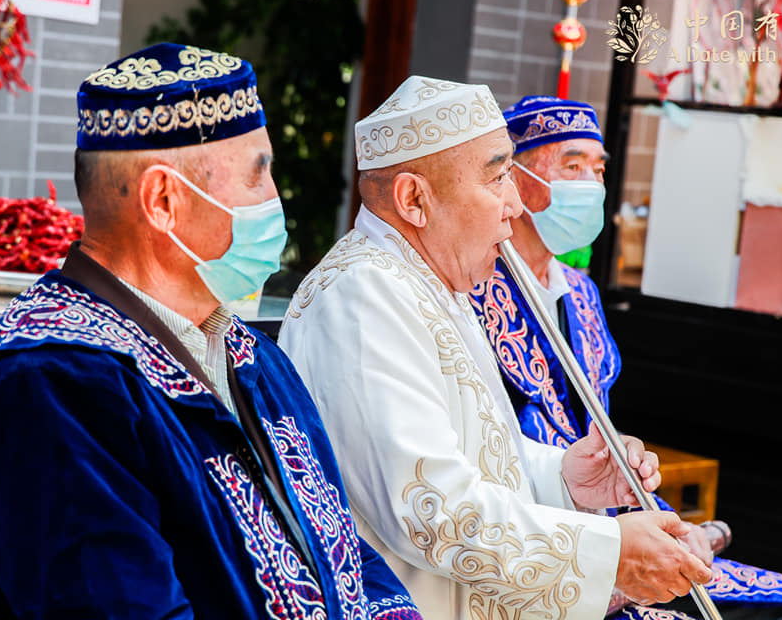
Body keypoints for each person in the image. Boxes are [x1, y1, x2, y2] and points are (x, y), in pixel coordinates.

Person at [0, 42, 423, 620]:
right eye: (258, 176)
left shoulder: (251, 356)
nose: (275, 200)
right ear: (165, 200)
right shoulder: (52, 390)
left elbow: (339, 550)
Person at [278, 75, 714, 620]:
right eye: (499, 177)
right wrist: (612, 553)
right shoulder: (362, 296)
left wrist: (565, 478)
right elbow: (432, 510)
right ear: (414, 198)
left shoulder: (428, 279)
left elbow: (482, 453)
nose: (514, 204)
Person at [468, 94, 782, 618]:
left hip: (611, 506)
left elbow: (596, 418)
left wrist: (659, 516)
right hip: (545, 533)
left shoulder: (579, 291)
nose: (590, 185)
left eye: (597, 169)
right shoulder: (474, 290)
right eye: (571, 166)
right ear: (516, 181)